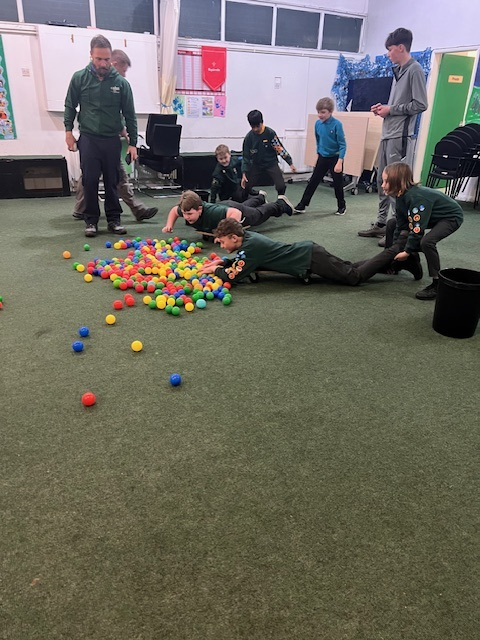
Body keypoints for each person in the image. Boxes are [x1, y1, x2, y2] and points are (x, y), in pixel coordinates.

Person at [197, 218, 422, 285]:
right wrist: (222, 263)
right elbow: (242, 261)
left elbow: (234, 275)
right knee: (350, 267)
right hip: (309, 253)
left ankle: (397, 251)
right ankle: (398, 264)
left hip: (310, 258)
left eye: (222, 242)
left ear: (234, 238)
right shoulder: (248, 240)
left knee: (353, 277)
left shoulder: (250, 248)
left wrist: (216, 270)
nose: (222, 246)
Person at [64, 35, 138, 238]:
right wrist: (68, 132)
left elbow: (130, 114)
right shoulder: (79, 78)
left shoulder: (121, 83)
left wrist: (133, 143)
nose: (103, 64)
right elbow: (70, 105)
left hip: (111, 139)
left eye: (106, 59)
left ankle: (114, 220)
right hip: (88, 138)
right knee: (89, 181)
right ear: (91, 55)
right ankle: (91, 221)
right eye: (99, 59)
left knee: (112, 180)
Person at [358, 27, 428, 239]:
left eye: (390, 49)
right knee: (383, 181)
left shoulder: (415, 70)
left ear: (401, 47)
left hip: (401, 138)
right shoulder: (399, 72)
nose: (388, 54)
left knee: (398, 185)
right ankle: (382, 223)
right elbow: (398, 105)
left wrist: (392, 110)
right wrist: (384, 109)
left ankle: (399, 230)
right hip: (387, 134)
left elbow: (421, 104)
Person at [72, 50, 157, 224]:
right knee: (96, 177)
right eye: (123, 70)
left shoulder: (118, 85)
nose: (124, 75)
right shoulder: (88, 80)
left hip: (109, 141)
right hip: (93, 139)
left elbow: (119, 115)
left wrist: (127, 135)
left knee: (104, 176)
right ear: (115, 64)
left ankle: (81, 209)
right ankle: (135, 209)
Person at [381, 162, 463, 300]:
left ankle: (437, 283)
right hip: (431, 215)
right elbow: (401, 225)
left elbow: (417, 229)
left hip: (451, 217)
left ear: (397, 182)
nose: (382, 185)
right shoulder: (400, 195)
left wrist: (407, 251)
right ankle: (395, 264)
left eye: (386, 181)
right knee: (391, 224)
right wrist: (395, 249)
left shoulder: (417, 198)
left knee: (427, 242)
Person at [294, 97, 347, 216]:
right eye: (318, 112)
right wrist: (318, 154)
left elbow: (343, 145)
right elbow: (318, 140)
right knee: (313, 181)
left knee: (338, 183)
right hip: (323, 157)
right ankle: (302, 205)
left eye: (323, 112)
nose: (320, 115)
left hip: (335, 158)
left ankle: (341, 206)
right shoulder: (317, 124)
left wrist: (340, 161)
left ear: (330, 112)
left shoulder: (337, 124)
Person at [162, 190, 294, 237]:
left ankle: (280, 204)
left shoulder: (213, 213)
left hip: (232, 210)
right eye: (184, 214)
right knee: (245, 206)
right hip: (226, 207)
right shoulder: (187, 208)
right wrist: (169, 225)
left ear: (200, 209)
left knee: (256, 215)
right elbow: (174, 211)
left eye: (190, 214)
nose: (186, 217)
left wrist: (225, 233)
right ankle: (259, 198)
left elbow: (236, 213)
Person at [240, 110, 296, 198]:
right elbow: (246, 157)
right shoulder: (249, 137)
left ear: (262, 122)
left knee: (281, 186)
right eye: (253, 127)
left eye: (257, 126)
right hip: (256, 164)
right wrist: (244, 173)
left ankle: (281, 200)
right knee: (245, 185)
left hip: (271, 163)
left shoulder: (270, 133)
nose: (255, 129)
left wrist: (290, 163)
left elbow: (280, 149)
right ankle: (246, 198)